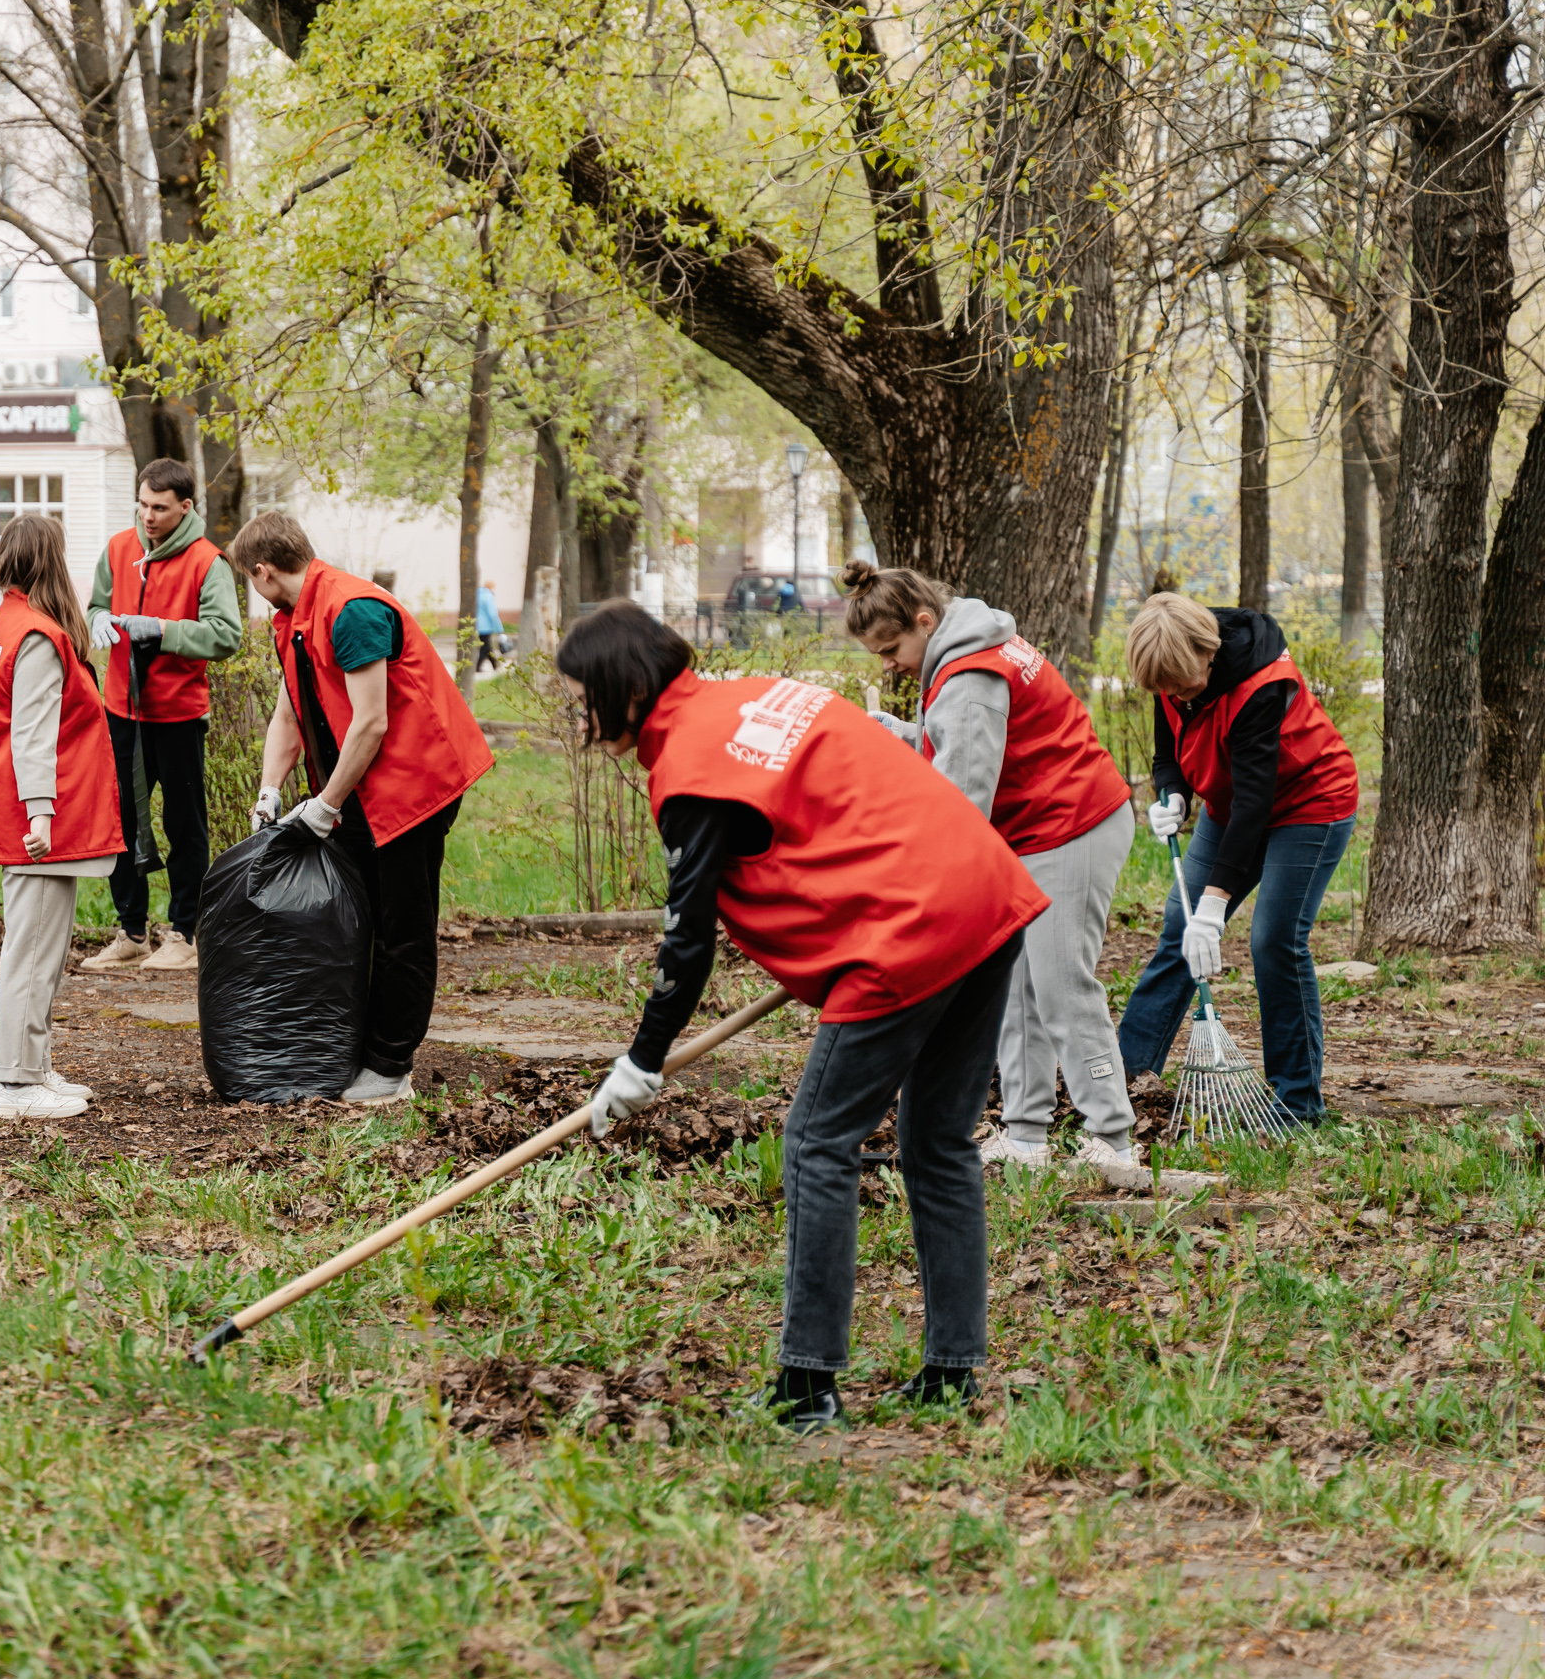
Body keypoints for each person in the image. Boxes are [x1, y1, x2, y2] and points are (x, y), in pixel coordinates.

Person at [561, 601, 1048, 1428]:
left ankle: (807, 1384)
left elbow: (688, 941)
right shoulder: (754, 696)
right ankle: (951, 1372)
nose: (583, 715)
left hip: (911, 928)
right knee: (936, 1140)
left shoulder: (691, 770)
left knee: (818, 1139)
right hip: (986, 890)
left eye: (586, 695)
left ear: (628, 689)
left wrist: (642, 1059)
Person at [843, 560, 1139, 1170]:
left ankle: (1112, 1138)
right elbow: (956, 740)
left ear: (924, 622)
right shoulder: (963, 643)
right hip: (1029, 829)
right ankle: (1026, 1136)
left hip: (1071, 824)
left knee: (1058, 983)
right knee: (1013, 988)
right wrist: (899, 735)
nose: (888, 663)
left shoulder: (969, 674)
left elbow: (960, 806)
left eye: (891, 648)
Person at [240, 512, 495, 1104]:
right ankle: (354, 1048)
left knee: (401, 929)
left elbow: (372, 722)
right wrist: (270, 790)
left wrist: (325, 806)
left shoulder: (350, 611)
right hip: (360, 789)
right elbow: (289, 713)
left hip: (416, 787)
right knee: (356, 921)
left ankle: (389, 1067)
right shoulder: (294, 620)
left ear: (262, 571)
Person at [1116, 594, 1358, 1121]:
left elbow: (1255, 803)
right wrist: (1173, 793)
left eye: (1183, 686)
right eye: (1165, 690)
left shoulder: (1261, 683)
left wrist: (1216, 905)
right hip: (1235, 803)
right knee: (1181, 923)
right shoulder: (1171, 671)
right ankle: (1122, 1080)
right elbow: (1167, 749)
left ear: (1210, 653)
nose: (1174, 696)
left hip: (1310, 803)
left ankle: (1298, 1104)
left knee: (1273, 938)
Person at [0, 514, 124, 1121]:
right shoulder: (35, 635)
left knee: (38, 950)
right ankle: (13, 1085)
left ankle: (30, 1067)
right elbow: (32, 735)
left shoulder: (5, 626)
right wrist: (40, 814)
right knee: (33, 952)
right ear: (52, 560)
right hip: (39, 823)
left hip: (28, 812)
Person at [78, 459, 244, 975]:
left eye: (159, 508)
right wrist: (99, 619)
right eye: (142, 505)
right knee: (120, 822)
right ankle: (131, 933)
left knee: (183, 825)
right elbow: (94, 606)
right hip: (121, 711)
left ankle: (185, 933)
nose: (147, 517)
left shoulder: (206, 561)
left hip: (178, 715)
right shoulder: (118, 549)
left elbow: (225, 634)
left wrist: (164, 631)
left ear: (185, 507)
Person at [473, 581, 506, 674]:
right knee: (485, 647)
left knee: (486, 646)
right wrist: (500, 629)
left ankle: (495, 665)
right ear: (491, 587)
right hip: (486, 626)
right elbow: (493, 614)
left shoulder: (477, 595)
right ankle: (478, 666)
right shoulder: (489, 596)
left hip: (478, 625)